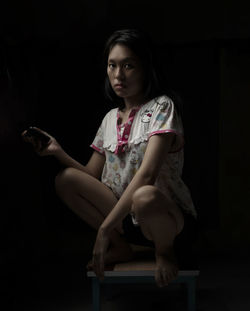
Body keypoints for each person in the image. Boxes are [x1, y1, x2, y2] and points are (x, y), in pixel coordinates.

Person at [22, 29, 197, 288]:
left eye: (128, 65)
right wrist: (58, 152)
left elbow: (147, 175)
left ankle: (165, 252)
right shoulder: (109, 119)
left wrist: (103, 230)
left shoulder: (162, 106)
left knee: (144, 195)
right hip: (124, 217)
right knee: (66, 179)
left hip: (164, 219)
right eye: (112, 65)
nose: (119, 75)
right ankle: (121, 246)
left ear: (145, 68)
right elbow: (91, 176)